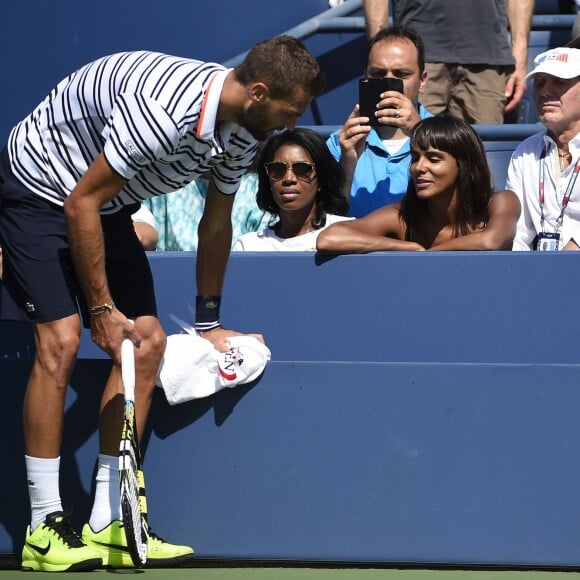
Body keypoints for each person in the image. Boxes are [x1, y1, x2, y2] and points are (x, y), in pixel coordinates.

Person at [0, 36, 324, 572]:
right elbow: (80, 200)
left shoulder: (243, 130)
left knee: (147, 342)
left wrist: (209, 321)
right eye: (288, 112)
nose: (290, 125)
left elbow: (215, 222)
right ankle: (42, 525)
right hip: (41, 189)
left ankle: (107, 521)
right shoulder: (164, 114)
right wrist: (100, 310)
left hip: (103, 201)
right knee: (59, 340)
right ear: (260, 92)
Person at [317, 115, 520, 253]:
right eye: (415, 157)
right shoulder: (403, 217)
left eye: (433, 159)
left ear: (464, 165)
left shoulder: (500, 202)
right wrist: (407, 248)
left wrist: (427, 256)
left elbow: (492, 241)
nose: (418, 167)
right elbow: (329, 238)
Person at [362, 0, 534, 124]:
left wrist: (520, 56)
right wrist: (380, 53)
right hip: (415, 57)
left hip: (487, 55)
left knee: (481, 157)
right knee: (404, 148)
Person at [327, 26, 432, 218]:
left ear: (422, 80)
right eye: (377, 74)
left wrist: (422, 134)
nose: (387, 83)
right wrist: (347, 164)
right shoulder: (339, 144)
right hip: (355, 247)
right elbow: (325, 219)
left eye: (401, 74)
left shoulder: (451, 137)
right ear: (365, 75)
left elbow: (465, 206)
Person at [507, 47, 580, 251]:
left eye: (560, 81)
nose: (546, 92)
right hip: (538, 272)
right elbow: (518, 235)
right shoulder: (525, 152)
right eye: (540, 83)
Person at [233, 128, 351, 251]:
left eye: (302, 169)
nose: (289, 178)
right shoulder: (248, 246)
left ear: (321, 179)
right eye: (277, 169)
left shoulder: (349, 233)